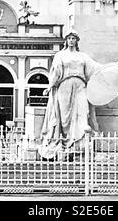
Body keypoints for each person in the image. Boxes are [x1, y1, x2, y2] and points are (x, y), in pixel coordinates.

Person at [39, 29, 101, 159]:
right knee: (65, 116)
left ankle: (80, 141)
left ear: (77, 41)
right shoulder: (60, 55)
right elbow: (56, 72)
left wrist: (113, 67)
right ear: (66, 40)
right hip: (65, 85)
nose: (71, 41)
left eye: (73, 38)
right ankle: (66, 141)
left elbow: (95, 67)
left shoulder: (82, 56)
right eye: (69, 38)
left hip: (80, 85)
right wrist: (50, 86)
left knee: (83, 111)